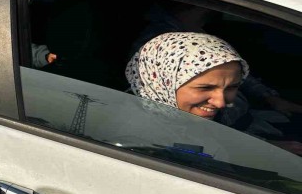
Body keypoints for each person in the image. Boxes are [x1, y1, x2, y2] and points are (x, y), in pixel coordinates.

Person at [126, 32, 302, 155]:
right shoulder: (139, 141)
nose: (221, 103)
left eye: (232, 87)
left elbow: (217, 136)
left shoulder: (180, 119)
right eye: (204, 88)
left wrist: (265, 147)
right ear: (163, 82)